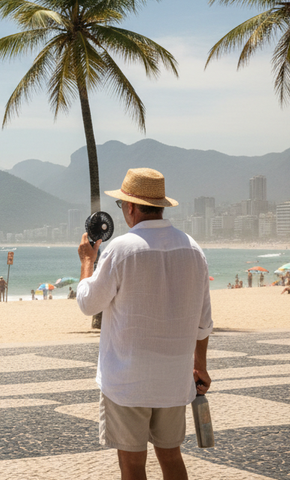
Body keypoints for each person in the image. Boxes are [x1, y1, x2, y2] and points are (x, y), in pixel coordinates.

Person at [76, 168, 212, 480]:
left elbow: (88, 303)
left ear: (132, 207)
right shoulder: (193, 249)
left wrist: (87, 262)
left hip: (127, 381)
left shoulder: (120, 250)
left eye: (123, 205)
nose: (123, 210)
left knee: (133, 465)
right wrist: (199, 366)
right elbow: (203, 323)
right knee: (172, 458)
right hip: (174, 378)